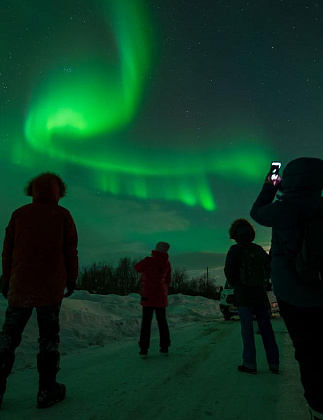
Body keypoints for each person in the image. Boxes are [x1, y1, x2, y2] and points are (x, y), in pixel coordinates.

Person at [250, 157, 323, 420]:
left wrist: (272, 178)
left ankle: (317, 407)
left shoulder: (281, 210)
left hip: (292, 294)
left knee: (307, 351)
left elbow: (256, 211)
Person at [0, 172, 78, 410]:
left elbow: (7, 251)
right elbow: (70, 251)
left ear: (33, 190)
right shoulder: (62, 215)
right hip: (50, 288)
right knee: (48, 339)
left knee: (7, 339)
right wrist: (71, 279)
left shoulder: (19, 214)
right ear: (58, 192)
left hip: (20, 286)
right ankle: (47, 389)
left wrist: (6, 281)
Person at [224, 218, 279, 374]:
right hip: (260, 295)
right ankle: (274, 363)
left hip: (243, 296)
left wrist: (237, 286)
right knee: (266, 329)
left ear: (235, 235)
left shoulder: (234, 250)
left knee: (247, 331)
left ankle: (250, 363)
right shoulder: (258, 249)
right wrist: (263, 283)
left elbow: (229, 273)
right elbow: (269, 268)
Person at [135, 242, 171, 358]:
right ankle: (164, 348)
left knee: (146, 322)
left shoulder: (148, 261)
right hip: (161, 297)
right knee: (162, 322)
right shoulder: (167, 263)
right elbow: (168, 280)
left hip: (148, 296)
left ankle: (144, 349)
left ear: (156, 249)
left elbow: (137, 268)